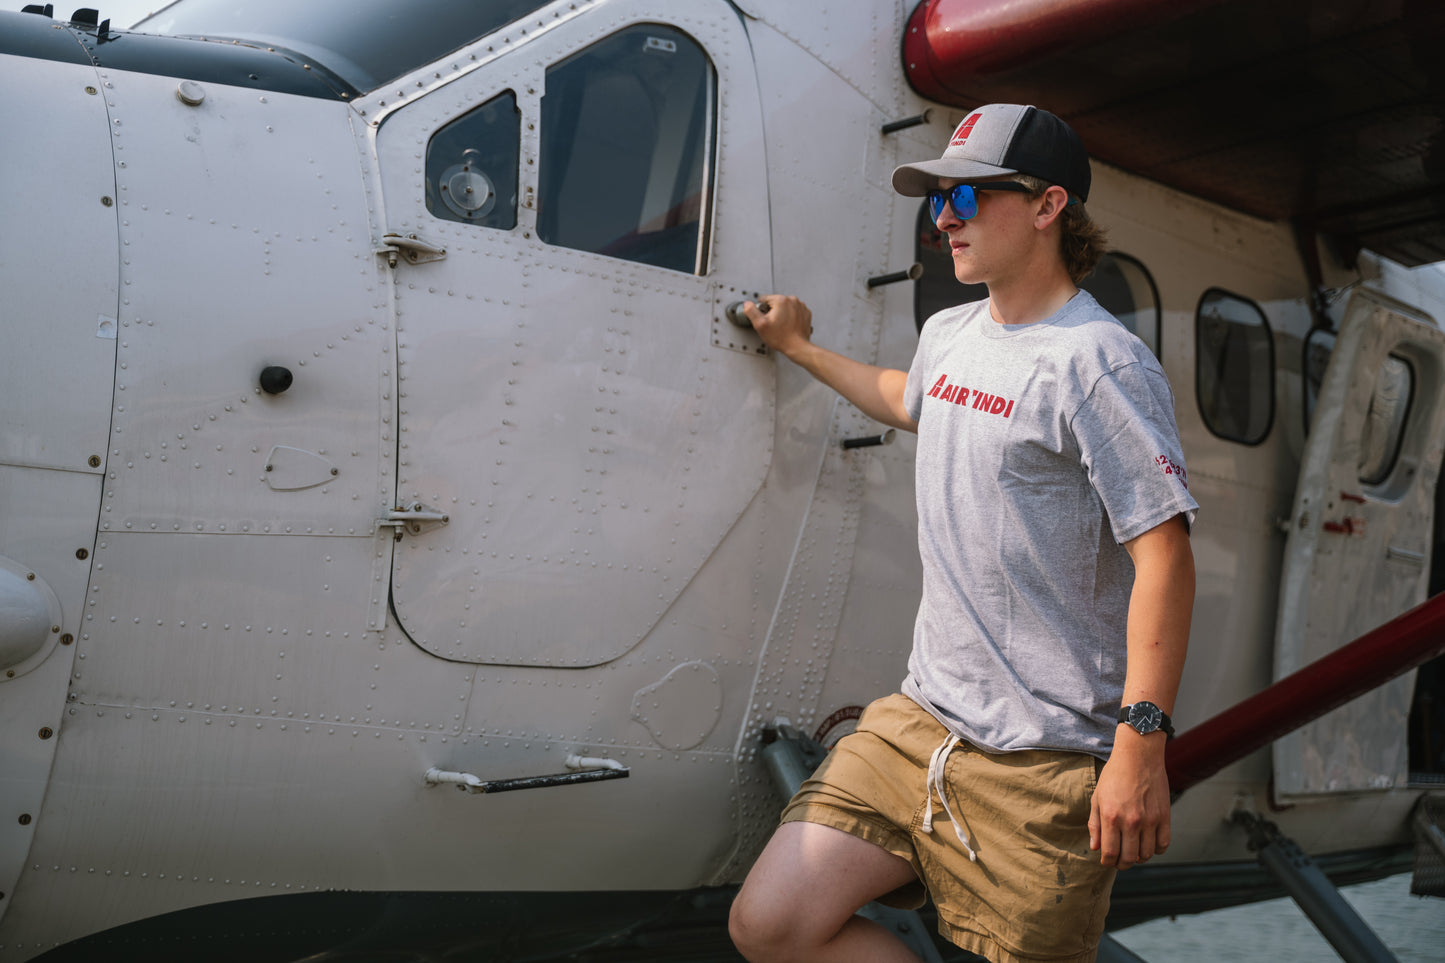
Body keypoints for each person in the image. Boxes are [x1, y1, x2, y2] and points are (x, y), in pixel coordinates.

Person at [728, 104, 1198, 963]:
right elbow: (906, 398)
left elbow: (1163, 554)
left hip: (1044, 761)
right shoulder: (950, 333)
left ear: (1048, 205)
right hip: (920, 721)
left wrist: (1139, 746)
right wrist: (797, 347)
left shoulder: (1098, 362)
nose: (943, 218)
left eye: (968, 196)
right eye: (938, 199)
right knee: (769, 924)